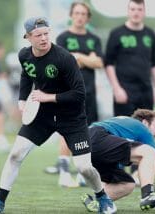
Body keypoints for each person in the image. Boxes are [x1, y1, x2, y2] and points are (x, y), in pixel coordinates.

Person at [0, 17, 116, 214]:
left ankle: (103, 198)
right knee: (15, 155)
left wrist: (48, 97)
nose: (44, 38)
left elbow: (80, 94)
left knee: (84, 168)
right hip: (42, 116)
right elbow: (26, 75)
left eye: (46, 33)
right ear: (28, 37)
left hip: (72, 118)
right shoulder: (24, 55)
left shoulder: (64, 58)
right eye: (38, 35)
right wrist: (22, 100)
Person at [44, 2, 104, 187]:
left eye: (83, 13)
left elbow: (99, 63)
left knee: (89, 130)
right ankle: (63, 172)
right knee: (66, 131)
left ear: (88, 17)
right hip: (68, 91)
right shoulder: (62, 37)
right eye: (76, 13)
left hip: (89, 92)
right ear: (71, 15)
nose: (79, 16)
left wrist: (79, 56)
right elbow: (65, 63)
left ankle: (83, 172)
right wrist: (87, 58)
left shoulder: (94, 39)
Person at [80, 109, 155, 212]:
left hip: (85, 143)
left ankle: (95, 201)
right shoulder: (141, 128)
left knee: (127, 184)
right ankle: (148, 195)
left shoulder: (124, 127)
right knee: (149, 152)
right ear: (144, 122)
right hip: (98, 137)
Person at [105, 0, 155, 178]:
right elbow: (108, 63)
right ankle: (118, 168)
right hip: (124, 91)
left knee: (145, 130)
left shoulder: (150, 34)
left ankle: (139, 169)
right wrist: (116, 88)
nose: (136, 12)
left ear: (144, 11)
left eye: (139, 9)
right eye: (133, 9)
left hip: (145, 90)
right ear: (128, 11)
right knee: (121, 130)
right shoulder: (117, 33)